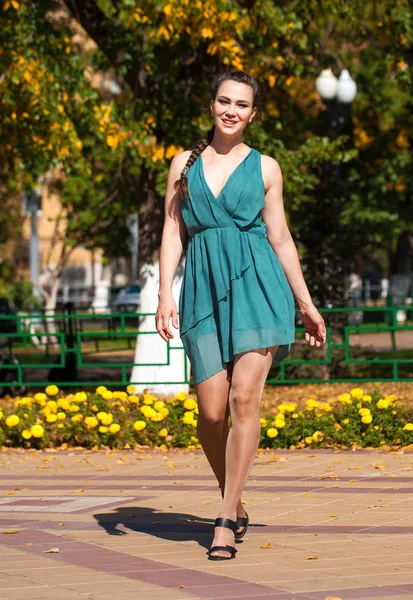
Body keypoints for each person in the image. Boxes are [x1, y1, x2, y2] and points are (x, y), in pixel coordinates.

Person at [155, 71, 326, 561]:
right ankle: (236, 498)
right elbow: (172, 232)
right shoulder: (182, 164)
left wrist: (306, 302)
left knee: (244, 400)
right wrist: (165, 293)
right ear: (211, 106)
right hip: (202, 291)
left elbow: (281, 238)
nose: (231, 110)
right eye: (224, 101)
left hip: (258, 287)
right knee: (210, 413)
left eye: (242, 104)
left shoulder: (267, 168)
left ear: (253, 114)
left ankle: (226, 518)